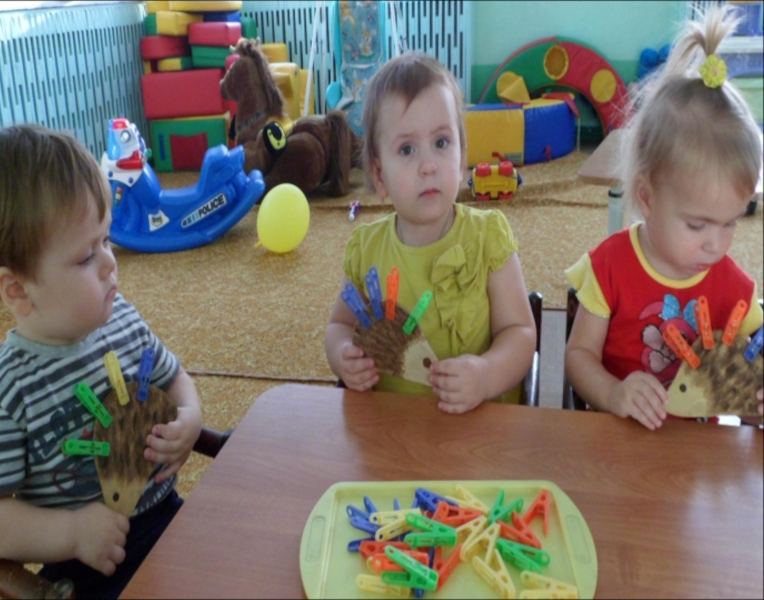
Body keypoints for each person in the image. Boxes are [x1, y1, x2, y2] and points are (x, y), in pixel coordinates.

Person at [0, 125, 203, 598]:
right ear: (18, 289)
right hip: (88, 572)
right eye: (85, 256)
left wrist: (191, 417)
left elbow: (175, 378)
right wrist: (70, 533)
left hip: (172, 523)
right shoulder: (4, 396)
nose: (111, 263)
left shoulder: (123, 319)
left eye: (106, 240)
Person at [565, 5, 764, 431]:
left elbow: (750, 379)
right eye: (697, 225)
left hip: (697, 461)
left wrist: (755, 400)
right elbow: (578, 358)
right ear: (647, 197)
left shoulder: (733, 288)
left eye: (730, 222)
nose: (716, 244)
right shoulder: (609, 267)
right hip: (616, 447)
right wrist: (612, 393)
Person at [324, 52, 536, 414]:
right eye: (407, 149)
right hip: (392, 430)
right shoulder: (366, 251)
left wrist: (486, 374)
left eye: (441, 143)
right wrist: (343, 355)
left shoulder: (488, 238)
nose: (428, 166)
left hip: (481, 429)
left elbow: (521, 333)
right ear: (379, 175)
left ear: (462, 158)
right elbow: (339, 326)